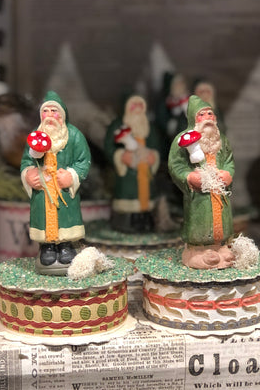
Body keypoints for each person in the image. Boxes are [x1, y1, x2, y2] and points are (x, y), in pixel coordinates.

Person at [20, 91, 91, 273]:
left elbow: (83, 160)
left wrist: (71, 176)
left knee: (65, 217)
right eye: (46, 111)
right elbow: (26, 161)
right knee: (44, 218)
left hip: (63, 191)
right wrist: (29, 174)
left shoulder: (74, 136)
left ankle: (66, 245)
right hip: (43, 190)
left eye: (54, 111)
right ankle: (47, 247)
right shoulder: (35, 136)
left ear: (63, 114)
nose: (50, 116)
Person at [168, 95, 235, 269]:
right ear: (193, 119)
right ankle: (196, 251)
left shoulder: (222, 140)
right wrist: (189, 177)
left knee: (222, 222)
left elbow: (229, 161)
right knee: (200, 222)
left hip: (219, 193)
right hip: (199, 197)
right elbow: (176, 165)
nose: (207, 118)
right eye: (202, 115)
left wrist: (228, 174)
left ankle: (220, 248)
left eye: (210, 114)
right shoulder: (182, 139)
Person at [104, 94, 161, 233]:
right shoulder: (117, 125)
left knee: (147, 196)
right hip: (127, 177)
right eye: (134, 105)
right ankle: (125, 222)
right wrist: (121, 156)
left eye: (140, 105)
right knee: (128, 195)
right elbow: (109, 147)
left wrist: (154, 156)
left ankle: (146, 220)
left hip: (145, 171)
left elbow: (158, 146)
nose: (137, 109)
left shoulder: (150, 127)